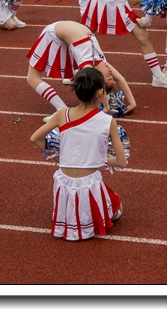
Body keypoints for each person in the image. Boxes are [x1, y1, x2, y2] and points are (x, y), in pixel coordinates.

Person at [31, 66, 127, 241]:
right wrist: (98, 160)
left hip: (63, 181)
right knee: (117, 207)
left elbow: (35, 138)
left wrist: (60, 157)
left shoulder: (62, 114)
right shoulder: (107, 121)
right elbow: (122, 162)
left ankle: (68, 221)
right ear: (100, 93)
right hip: (89, 184)